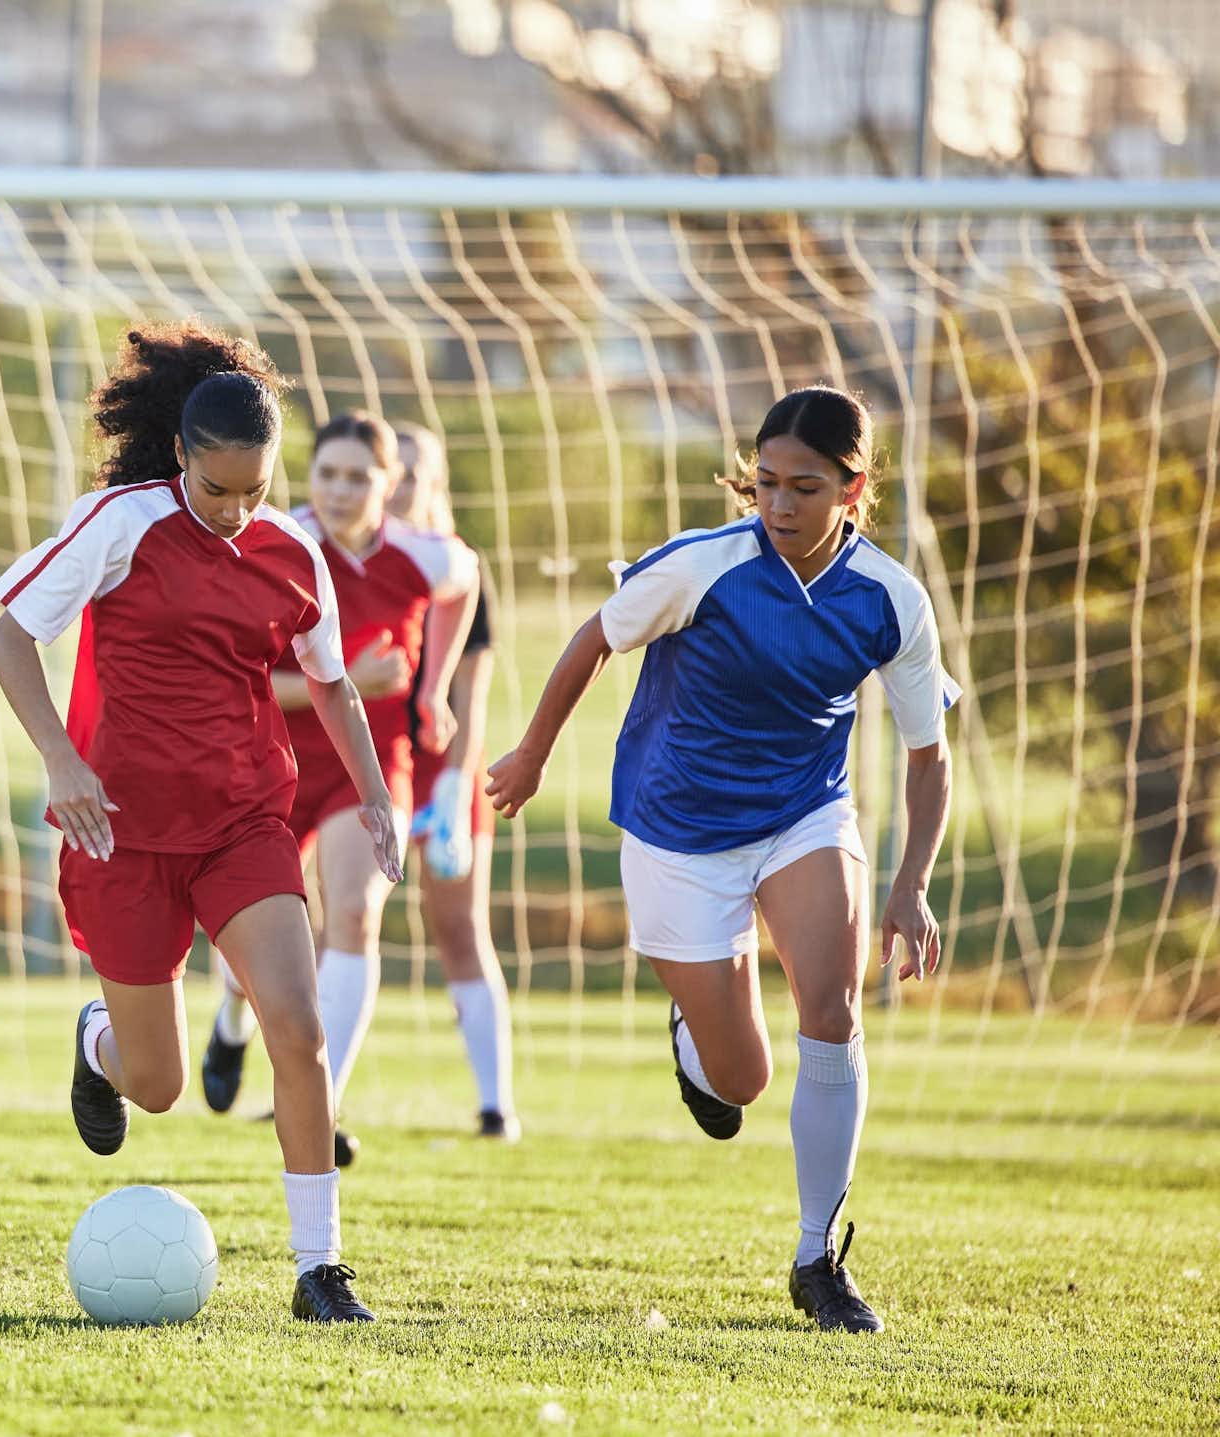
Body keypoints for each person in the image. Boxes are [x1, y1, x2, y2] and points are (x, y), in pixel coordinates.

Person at [485, 386, 955, 1332]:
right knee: (741, 1079)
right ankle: (697, 1034)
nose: (780, 505)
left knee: (833, 1006)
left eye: (805, 487)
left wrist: (909, 885)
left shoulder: (892, 599)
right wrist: (531, 753)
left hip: (804, 817)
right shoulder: (704, 566)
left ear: (853, 489)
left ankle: (818, 1256)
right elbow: (593, 640)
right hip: (676, 831)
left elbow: (927, 754)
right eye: (766, 483)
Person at [0, 321, 405, 1323]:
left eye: (255, 491)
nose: (234, 511)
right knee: (160, 1085)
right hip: (120, 832)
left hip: (241, 823)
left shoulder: (292, 553)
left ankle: (319, 1270)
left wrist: (377, 795)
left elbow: (333, 687)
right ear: (180, 453)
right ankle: (97, 1047)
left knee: (296, 1029)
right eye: (216, 489)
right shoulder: (117, 523)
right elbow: (9, 638)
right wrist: (60, 755)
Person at [194, 414, 476, 1167]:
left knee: (352, 913)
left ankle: (326, 1097)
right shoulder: (275, 544)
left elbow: (466, 579)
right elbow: (236, 677)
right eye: (330, 474)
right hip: (270, 760)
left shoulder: (421, 555)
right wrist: (346, 682)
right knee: (252, 940)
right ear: (308, 477)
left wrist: (433, 689)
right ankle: (231, 1013)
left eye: (361, 476)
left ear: (391, 484)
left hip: (370, 765)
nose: (343, 489)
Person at [391, 420, 520, 1141]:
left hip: (445, 772)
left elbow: (471, 701)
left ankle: (497, 1105)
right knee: (329, 924)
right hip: (367, 768)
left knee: (459, 927)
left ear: (433, 482)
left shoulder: (462, 570)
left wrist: (450, 789)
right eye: (393, 469)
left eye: (415, 471)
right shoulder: (348, 562)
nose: (402, 484)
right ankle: (313, 1087)